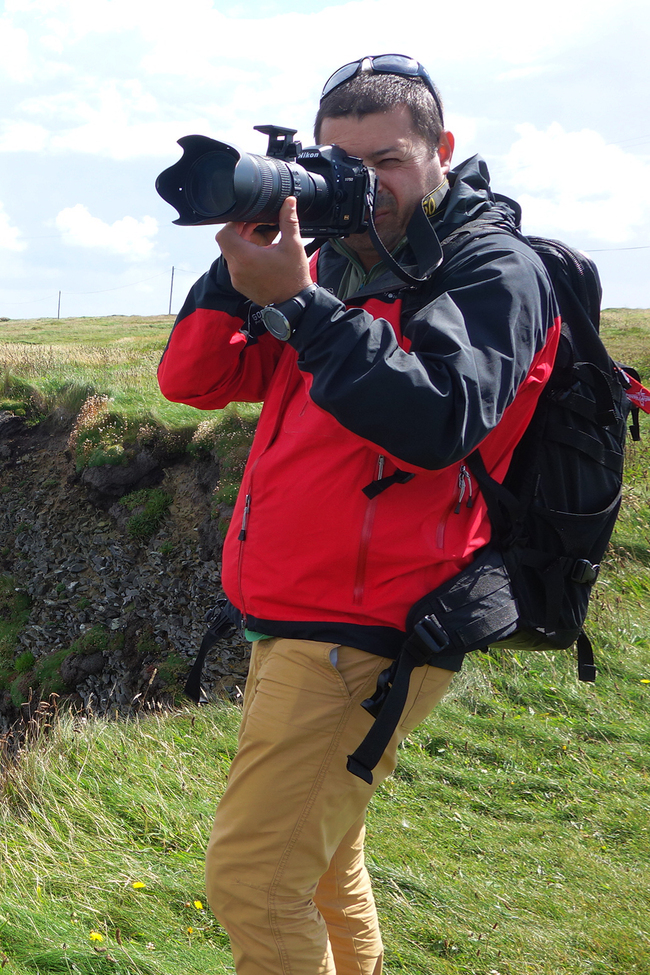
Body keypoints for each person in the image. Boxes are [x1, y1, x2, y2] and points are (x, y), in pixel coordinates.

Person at [158, 54, 559, 975]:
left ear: (442, 150)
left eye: (387, 161)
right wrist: (246, 260)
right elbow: (196, 378)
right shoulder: (345, 258)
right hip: (296, 610)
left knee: (254, 883)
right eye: (340, 162)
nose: (361, 185)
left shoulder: (495, 266)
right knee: (325, 864)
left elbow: (437, 420)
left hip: (370, 628)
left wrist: (303, 301)